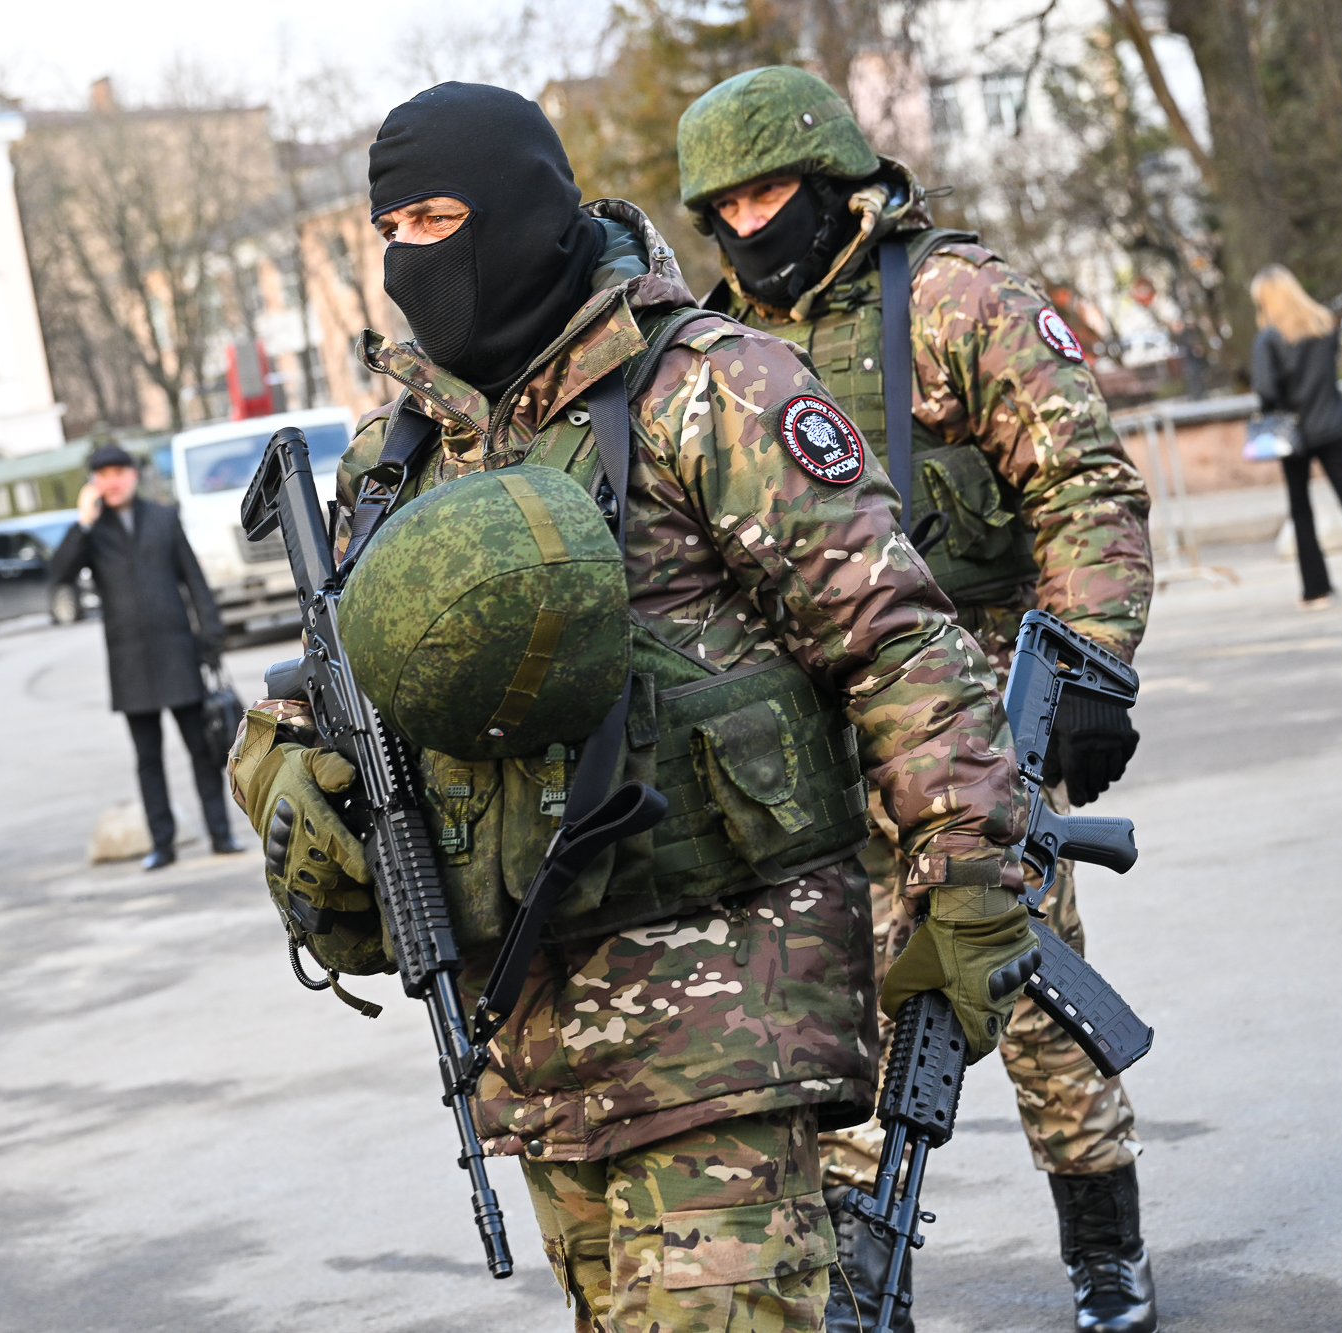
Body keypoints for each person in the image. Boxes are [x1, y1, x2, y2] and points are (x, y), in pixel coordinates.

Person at [228, 81, 1034, 1332]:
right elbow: (353, 704)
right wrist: (297, 787)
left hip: (729, 1012)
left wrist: (970, 871)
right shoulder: (395, 456)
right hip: (532, 1047)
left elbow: (893, 642)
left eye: (437, 219)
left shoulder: (706, 386)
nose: (409, 256)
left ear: (523, 207)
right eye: (389, 229)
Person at [677, 66, 1157, 1333]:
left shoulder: (953, 297)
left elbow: (1080, 482)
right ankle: (857, 1278)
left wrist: (1092, 665)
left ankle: (1104, 1247)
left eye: (770, 195)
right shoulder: (713, 356)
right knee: (836, 1026)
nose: (749, 226)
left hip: (975, 726)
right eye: (724, 209)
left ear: (835, 180)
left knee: (1030, 996)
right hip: (803, 756)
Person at [50, 443, 242, 871]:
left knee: (202, 749)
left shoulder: (163, 518)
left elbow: (194, 580)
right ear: (93, 482)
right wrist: (83, 521)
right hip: (130, 662)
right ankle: (163, 844)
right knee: (148, 758)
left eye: (119, 472)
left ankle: (221, 834)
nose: (112, 481)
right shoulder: (92, 530)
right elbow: (59, 575)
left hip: (177, 652)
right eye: (103, 475)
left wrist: (211, 636)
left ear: (133, 475)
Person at [1251, 263, 1342, 609]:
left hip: (1292, 432)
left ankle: (1316, 590)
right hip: (1334, 424)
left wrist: (1272, 408)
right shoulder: (1325, 326)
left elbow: (1265, 389)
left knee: (1301, 508)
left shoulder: (1269, 338)